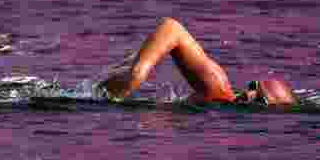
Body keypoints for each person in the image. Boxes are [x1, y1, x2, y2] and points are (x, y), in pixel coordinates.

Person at [96, 17, 298, 106]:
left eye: (259, 99)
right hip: (109, 95)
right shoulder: (218, 88)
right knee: (131, 81)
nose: (249, 94)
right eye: (254, 86)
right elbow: (173, 28)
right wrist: (139, 71)